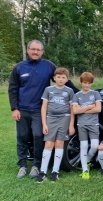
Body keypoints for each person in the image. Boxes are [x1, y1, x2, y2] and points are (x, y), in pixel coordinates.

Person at [9, 39, 78, 179]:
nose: (35, 52)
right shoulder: (19, 68)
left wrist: (81, 94)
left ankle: (36, 165)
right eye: (32, 49)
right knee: (22, 137)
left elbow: (65, 80)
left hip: (39, 110)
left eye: (38, 50)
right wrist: (14, 108)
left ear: (42, 52)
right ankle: (22, 166)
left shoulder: (48, 66)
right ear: (27, 50)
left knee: (39, 136)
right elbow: (13, 89)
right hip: (22, 109)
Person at [35, 68, 75, 183]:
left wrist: (71, 125)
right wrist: (44, 124)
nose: (60, 79)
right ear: (54, 78)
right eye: (58, 77)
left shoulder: (69, 91)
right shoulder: (48, 90)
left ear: (67, 79)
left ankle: (55, 172)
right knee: (48, 144)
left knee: (59, 143)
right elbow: (44, 107)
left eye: (63, 77)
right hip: (50, 119)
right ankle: (42, 172)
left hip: (64, 118)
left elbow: (72, 109)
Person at [71, 72, 102, 179]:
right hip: (81, 124)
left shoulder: (95, 94)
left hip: (93, 124)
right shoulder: (77, 95)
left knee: (94, 146)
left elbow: (98, 109)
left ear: (91, 84)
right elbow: (75, 111)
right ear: (81, 83)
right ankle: (85, 170)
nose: (86, 85)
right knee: (83, 146)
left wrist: (82, 110)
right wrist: (89, 107)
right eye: (84, 83)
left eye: (89, 83)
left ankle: (87, 160)